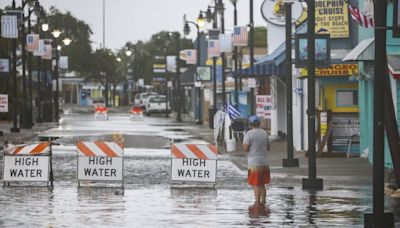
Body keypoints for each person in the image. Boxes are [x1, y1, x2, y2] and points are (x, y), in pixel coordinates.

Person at [243, 115, 270, 211]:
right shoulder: (264, 133)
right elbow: (268, 147)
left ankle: (257, 203)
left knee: (255, 184)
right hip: (264, 162)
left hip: (254, 163)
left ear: (250, 124)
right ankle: (264, 202)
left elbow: (245, 148)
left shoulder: (249, 134)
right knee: (262, 183)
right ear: (259, 123)